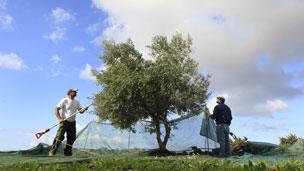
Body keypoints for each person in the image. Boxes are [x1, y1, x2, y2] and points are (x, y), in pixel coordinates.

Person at [49, 89, 88, 156]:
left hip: (72, 122)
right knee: (59, 137)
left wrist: (83, 109)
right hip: (64, 121)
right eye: (74, 92)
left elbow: (80, 111)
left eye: (76, 92)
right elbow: (56, 109)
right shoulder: (64, 100)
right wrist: (59, 118)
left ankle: (68, 153)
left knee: (71, 138)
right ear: (70, 93)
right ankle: (52, 152)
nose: (76, 93)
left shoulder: (77, 102)